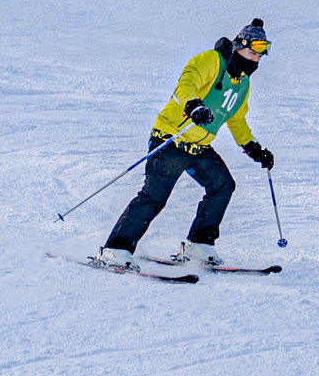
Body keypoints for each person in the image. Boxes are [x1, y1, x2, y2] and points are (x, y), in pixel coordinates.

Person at [94, 18, 276, 271]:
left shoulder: (242, 82)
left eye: (259, 56)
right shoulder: (211, 60)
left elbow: (236, 119)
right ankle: (116, 250)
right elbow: (186, 85)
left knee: (222, 185)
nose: (254, 60)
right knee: (154, 196)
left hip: (199, 148)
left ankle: (199, 246)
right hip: (171, 139)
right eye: (250, 53)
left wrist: (254, 148)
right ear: (237, 46)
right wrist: (194, 106)